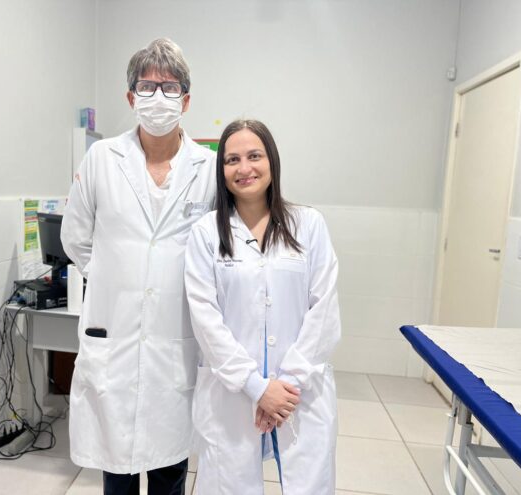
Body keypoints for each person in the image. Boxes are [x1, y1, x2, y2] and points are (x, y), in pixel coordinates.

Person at [61, 38, 216, 495]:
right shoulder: (102, 158)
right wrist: (120, 275)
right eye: (147, 86)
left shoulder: (208, 168)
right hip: (116, 338)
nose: (158, 97)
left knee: (170, 472)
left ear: (186, 100)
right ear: (131, 97)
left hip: (175, 343)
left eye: (170, 87)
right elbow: (75, 238)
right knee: (118, 471)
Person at [184, 119, 341, 494]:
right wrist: (256, 387)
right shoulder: (206, 232)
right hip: (232, 392)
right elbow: (205, 319)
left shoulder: (309, 224)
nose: (244, 168)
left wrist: (285, 389)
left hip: (300, 393)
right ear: (222, 170)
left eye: (254, 156)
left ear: (272, 160)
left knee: (308, 484)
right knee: (228, 484)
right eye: (232, 160)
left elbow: (324, 310)